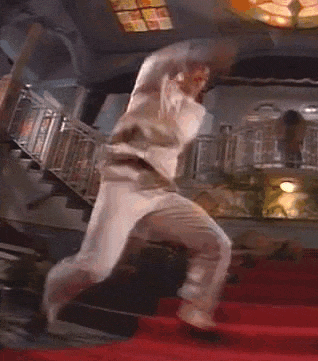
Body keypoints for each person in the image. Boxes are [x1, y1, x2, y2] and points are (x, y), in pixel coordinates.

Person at [39, 39, 236, 331]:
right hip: (124, 182)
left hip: (160, 192)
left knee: (217, 244)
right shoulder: (153, 86)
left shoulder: (194, 114)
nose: (200, 78)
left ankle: (195, 311)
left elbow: (174, 153)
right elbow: (162, 60)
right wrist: (201, 54)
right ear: (181, 71)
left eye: (205, 78)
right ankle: (49, 302)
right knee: (94, 268)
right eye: (197, 72)